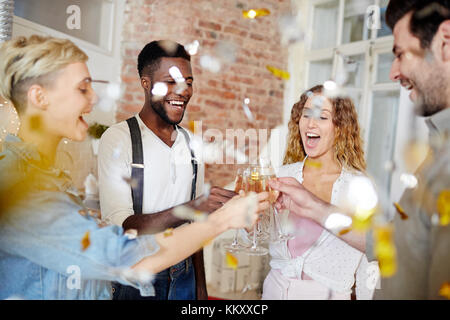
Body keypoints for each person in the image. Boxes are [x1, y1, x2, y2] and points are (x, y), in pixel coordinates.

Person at [0, 35, 268, 300]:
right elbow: (122, 255)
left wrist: (200, 284)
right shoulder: (19, 185)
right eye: (83, 89)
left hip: (181, 268)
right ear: (39, 97)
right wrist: (221, 219)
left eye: (188, 82)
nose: (94, 98)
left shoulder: (49, 178)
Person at [269, 0, 450, 299]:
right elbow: (399, 246)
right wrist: (311, 206)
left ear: (445, 41)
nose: (393, 72)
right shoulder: (438, 150)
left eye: (400, 54)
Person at [97, 40, 236, 300]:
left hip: (185, 274)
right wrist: (193, 207)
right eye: (170, 82)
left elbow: (195, 226)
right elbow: (122, 227)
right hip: (137, 274)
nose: (182, 91)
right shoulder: (119, 139)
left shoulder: (193, 144)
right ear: (146, 83)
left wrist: (200, 290)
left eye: (188, 82)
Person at [261, 85, 378, 300]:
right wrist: (249, 219)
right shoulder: (283, 175)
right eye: (306, 115)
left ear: (340, 127)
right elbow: (256, 234)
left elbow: (370, 259)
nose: (311, 123)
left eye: (322, 117)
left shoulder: (359, 188)